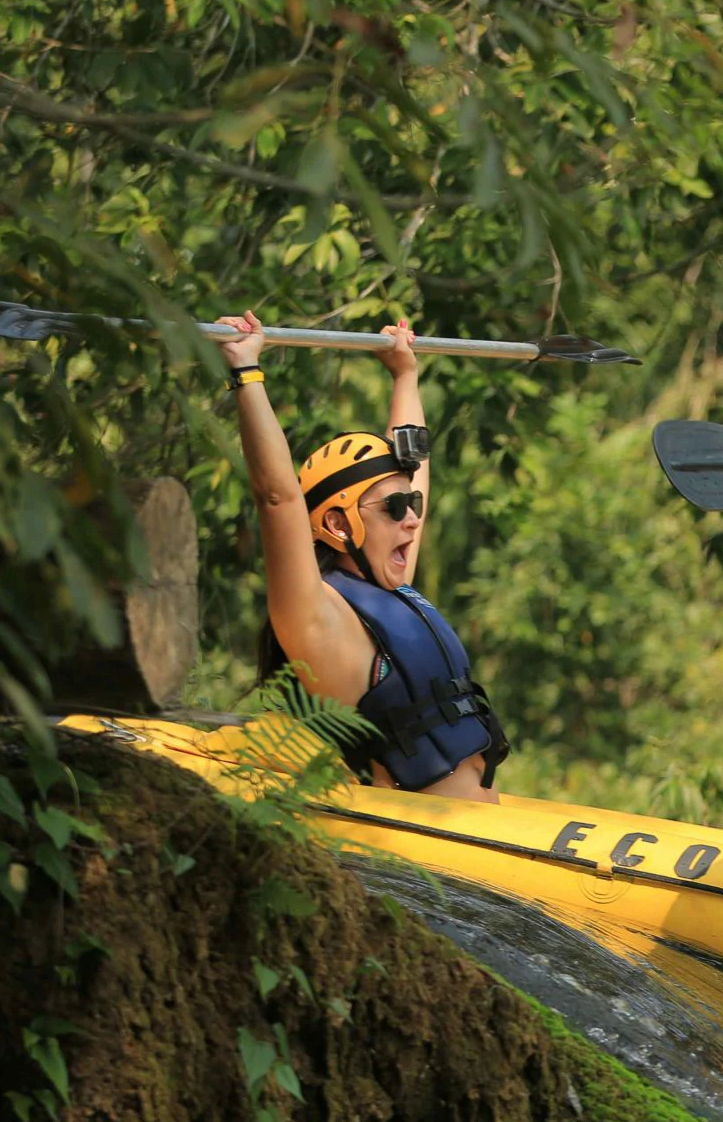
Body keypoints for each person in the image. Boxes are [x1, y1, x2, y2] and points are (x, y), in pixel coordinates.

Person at [217, 310, 508, 801]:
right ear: (336, 524)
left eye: (412, 505)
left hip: (480, 822)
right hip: (427, 850)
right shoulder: (319, 619)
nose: (413, 518)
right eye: (394, 508)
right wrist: (247, 372)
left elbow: (418, 467)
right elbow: (277, 498)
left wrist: (404, 374)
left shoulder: (390, 591)